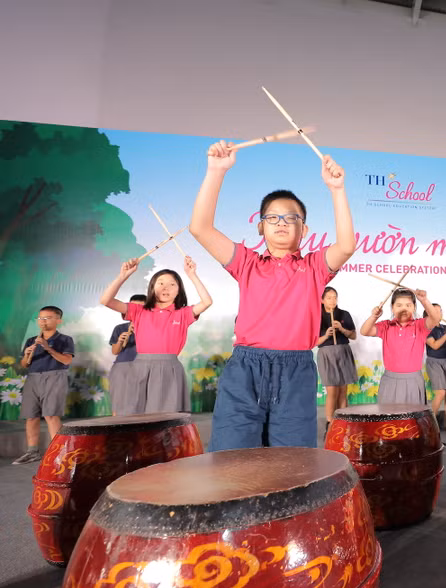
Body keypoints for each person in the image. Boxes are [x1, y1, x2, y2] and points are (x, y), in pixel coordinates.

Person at [190, 141, 355, 450]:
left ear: (304, 230)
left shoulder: (315, 267)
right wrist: (216, 171)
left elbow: (346, 246)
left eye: (291, 218)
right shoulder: (247, 264)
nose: (282, 223)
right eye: (273, 218)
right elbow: (200, 228)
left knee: (291, 463)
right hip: (245, 369)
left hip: (296, 370)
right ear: (260, 227)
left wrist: (337, 189)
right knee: (231, 457)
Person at [100, 256, 212, 414]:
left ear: (179, 290)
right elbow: (106, 300)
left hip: (169, 369)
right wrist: (123, 275)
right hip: (139, 367)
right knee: (134, 418)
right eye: (161, 283)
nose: (166, 287)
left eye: (172, 284)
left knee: (165, 420)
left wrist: (192, 275)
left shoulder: (183, 314)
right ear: (152, 287)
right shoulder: (139, 311)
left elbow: (207, 302)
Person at [12, 306, 73, 465]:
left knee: (51, 415)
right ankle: (32, 452)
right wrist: (26, 355)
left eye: (47, 318)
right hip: (33, 378)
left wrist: (47, 347)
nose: (42, 321)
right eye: (40, 318)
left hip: (54, 376)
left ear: (58, 320)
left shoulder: (65, 339)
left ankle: (59, 453)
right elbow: (25, 364)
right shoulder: (31, 340)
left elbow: (66, 360)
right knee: (31, 416)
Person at [360, 288, 440, 404]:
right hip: (390, 380)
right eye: (399, 305)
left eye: (408, 305)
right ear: (392, 307)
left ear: (414, 307)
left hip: (413, 380)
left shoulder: (420, 325)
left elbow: (435, 318)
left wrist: (424, 300)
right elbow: (364, 331)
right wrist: (374, 316)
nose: (404, 309)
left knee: (412, 419)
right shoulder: (386, 326)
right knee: (389, 419)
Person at [316, 287, 358, 431]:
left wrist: (342, 328)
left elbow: (353, 336)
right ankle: (330, 422)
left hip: (343, 351)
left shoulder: (343, 314)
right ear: (322, 300)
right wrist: (326, 335)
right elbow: (314, 342)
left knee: (342, 390)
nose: (333, 300)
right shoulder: (317, 316)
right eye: (329, 297)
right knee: (332, 390)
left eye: (335, 297)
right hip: (326, 354)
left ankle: (344, 420)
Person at [108, 294, 146, 416]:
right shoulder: (120, 328)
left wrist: (141, 333)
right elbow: (115, 351)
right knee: (119, 402)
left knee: (143, 404)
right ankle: (117, 432)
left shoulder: (153, 327)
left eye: (141, 307)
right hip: (122, 367)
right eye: (133, 307)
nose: (136, 310)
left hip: (145, 365)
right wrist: (120, 340)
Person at [425, 303, 446, 431]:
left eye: (440, 311)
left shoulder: (445, 328)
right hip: (434, 362)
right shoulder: (426, 329)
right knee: (441, 392)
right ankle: (430, 423)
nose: (439, 314)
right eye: (436, 311)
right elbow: (434, 345)